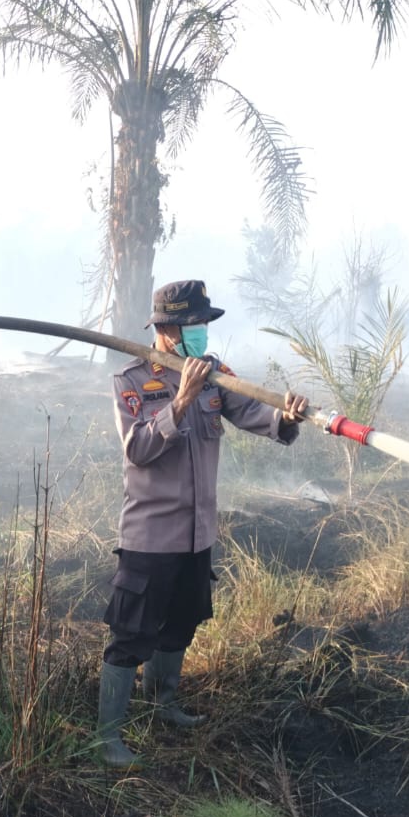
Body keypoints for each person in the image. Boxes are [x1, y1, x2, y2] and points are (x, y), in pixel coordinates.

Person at [97, 279, 309, 770]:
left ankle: (164, 703)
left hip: (197, 534)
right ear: (167, 330)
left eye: (204, 326)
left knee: (183, 621)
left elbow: (253, 413)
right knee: (132, 633)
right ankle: (108, 738)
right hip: (151, 536)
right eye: (193, 326)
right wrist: (181, 400)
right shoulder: (131, 380)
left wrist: (288, 417)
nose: (201, 335)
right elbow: (138, 450)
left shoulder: (216, 376)